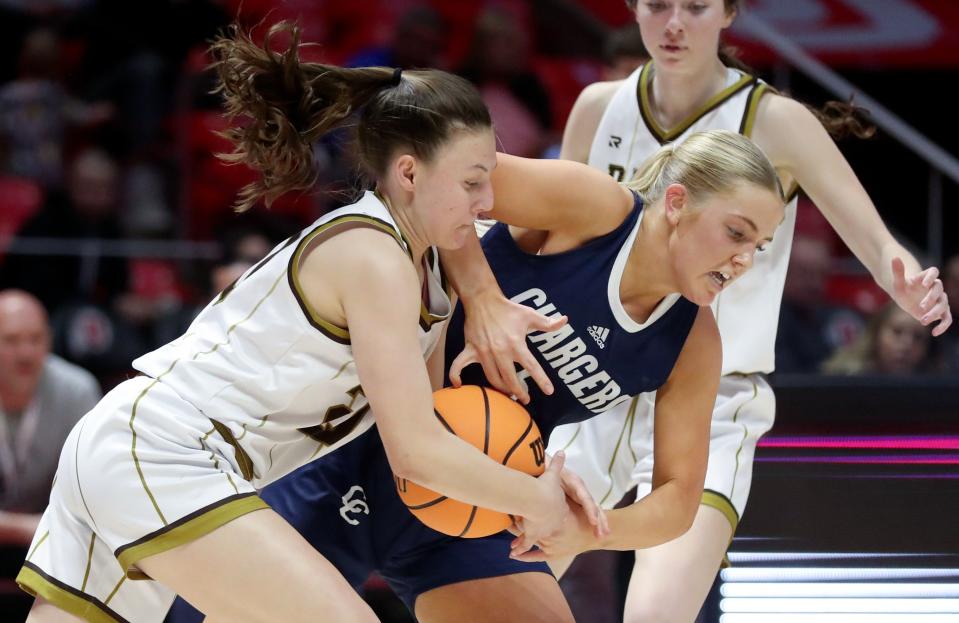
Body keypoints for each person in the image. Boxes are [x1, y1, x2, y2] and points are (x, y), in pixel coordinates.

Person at [15, 23, 588, 623]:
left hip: (142, 448)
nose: (488, 198)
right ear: (410, 174)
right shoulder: (372, 255)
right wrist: (533, 498)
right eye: (473, 181)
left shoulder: (423, 269)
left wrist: (533, 481)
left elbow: (436, 434)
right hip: (167, 449)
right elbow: (415, 454)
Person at [169, 127, 787, 623]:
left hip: (481, 501)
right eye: (736, 231)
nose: (743, 259)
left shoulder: (693, 341)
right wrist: (484, 296)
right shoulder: (596, 209)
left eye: (759, 245)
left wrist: (587, 531)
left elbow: (679, 500)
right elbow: (441, 179)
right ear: (676, 203)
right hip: (361, 440)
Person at [540, 1, 953, 621]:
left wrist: (904, 279)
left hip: (713, 397)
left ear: (730, 13)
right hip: (594, 380)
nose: (674, 22)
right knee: (495, 590)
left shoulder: (776, 120)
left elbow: (876, 245)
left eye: (696, 6)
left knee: (654, 615)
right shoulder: (598, 108)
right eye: (657, 5)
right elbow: (556, 243)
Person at [0, 289, 100, 547]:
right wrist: (23, 528)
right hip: (47, 528)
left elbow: (94, 490)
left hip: (57, 541)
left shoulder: (78, 391)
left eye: (35, 339)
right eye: (11, 341)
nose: (26, 353)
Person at [822, 301, 938, 376]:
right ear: (877, 333)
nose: (906, 344)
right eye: (897, 332)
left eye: (918, 337)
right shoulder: (842, 376)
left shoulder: (937, 388)